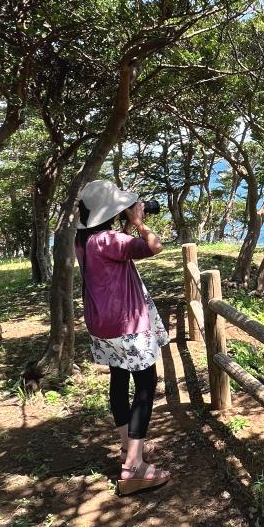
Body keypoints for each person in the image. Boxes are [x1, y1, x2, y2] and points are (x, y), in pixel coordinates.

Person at [75, 179, 171, 495]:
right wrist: (139, 223)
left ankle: (126, 447)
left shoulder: (84, 240)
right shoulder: (110, 240)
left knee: (118, 380)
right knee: (145, 385)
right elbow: (154, 247)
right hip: (128, 324)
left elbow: (119, 253)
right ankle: (133, 469)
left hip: (101, 324)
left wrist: (127, 225)